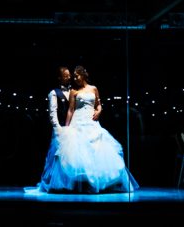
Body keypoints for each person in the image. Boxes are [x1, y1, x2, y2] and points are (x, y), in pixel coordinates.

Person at [40, 65, 138, 193]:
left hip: (91, 122)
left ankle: (96, 182)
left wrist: (99, 111)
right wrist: (67, 128)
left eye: (76, 76)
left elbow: (98, 105)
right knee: (77, 152)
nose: (74, 78)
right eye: (73, 76)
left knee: (97, 149)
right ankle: (79, 184)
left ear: (83, 75)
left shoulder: (94, 89)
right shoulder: (74, 92)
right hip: (78, 121)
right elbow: (70, 110)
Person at [37, 66, 72, 189]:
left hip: (72, 129)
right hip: (60, 128)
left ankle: (67, 183)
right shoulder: (54, 93)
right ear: (60, 78)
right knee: (57, 156)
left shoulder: (73, 92)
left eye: (69, 75)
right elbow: (53, 113)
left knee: (70, 157)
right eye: (66, 75)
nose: (69, 77)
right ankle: (53, 182)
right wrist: (58, 129)